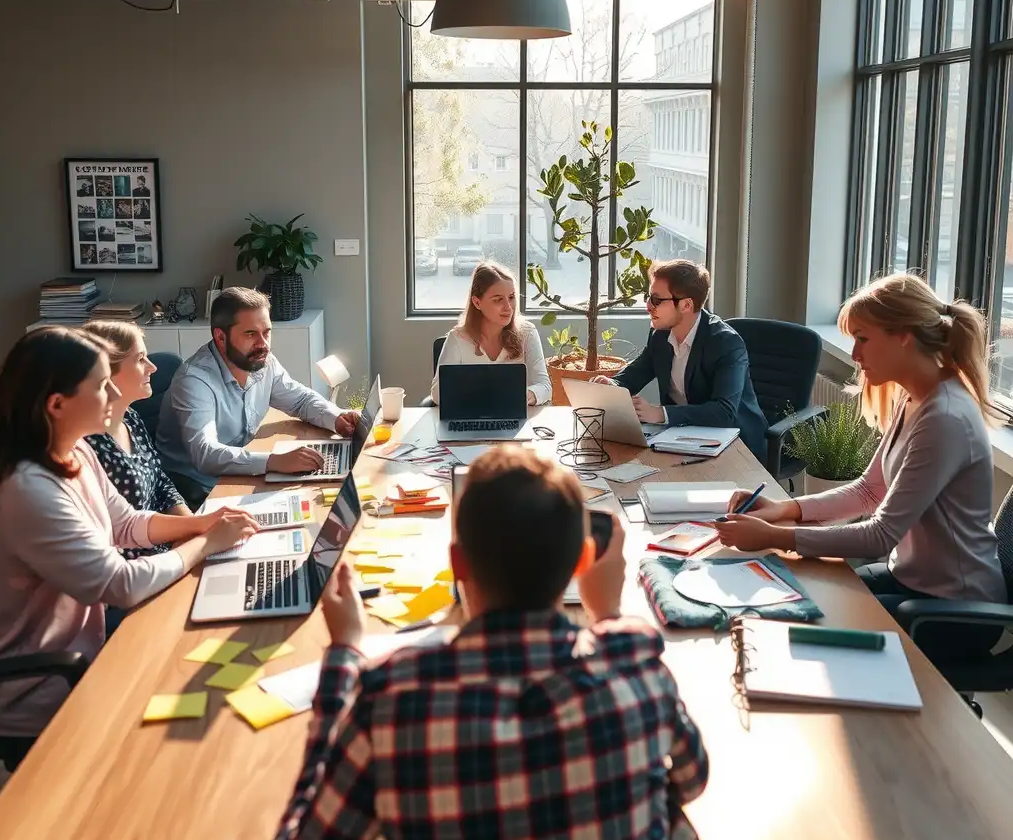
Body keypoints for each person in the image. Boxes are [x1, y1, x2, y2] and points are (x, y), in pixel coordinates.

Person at [265, 445, 708, 840]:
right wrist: (608, 614)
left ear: (457, 564)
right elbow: (692, 779)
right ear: (582, 561)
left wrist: (342, 659)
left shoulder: (392, 701)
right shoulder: (634, 664)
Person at [715, 273, 1007, 665]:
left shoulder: (945, 417)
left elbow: (881, 534)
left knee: (813, 631)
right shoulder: (915, 398)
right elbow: (868, 491)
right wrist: (785, 510)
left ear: (903, 334)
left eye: (863, 338)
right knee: (804, 592)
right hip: (914, 579)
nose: (854, 354)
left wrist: (776, 535)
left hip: (954, 608)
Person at [0, 328, 259, 741]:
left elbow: (126, 524)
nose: (115, 395)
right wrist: (207, 544)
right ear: (57, 404)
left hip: (85, 652)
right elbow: (119, 583)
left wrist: (202, 523)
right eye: (101, 386)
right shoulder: (28, 488)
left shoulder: (74, 451)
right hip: (45, 689)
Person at [156, 287, 361, 511]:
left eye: (267, 332)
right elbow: (205, 453)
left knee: (316, 499)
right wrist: (274, 461)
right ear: (220, 337)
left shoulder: (261, 361)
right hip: (196, 489)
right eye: (250, 334)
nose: (263, 343)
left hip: (240, 469)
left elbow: (300, 400)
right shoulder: (194, 381)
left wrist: (336, 417)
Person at [593, 259, 767, 461]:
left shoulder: (726, 343)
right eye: (648, 297)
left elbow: (724, 412)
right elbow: (637, 373)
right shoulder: (660, 335)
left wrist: (660, 414)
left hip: (736, 446)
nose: (648, 306)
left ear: (686, 305)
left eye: (657, 300)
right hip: (681, 439)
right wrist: (611, 386)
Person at [82, 320, 191, 560]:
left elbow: (161, 485)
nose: (152, 367)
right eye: (140, 359)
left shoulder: (130, 417)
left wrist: (194, 526)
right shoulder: (87, 445)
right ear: (106, 372)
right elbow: (119, 538)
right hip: (137, 567)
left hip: (166, 550)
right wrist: (193, 542)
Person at [430, 261, 551, 406]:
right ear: (477, 302)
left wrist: (528, 394)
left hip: (516, 419)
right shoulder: (457, 338)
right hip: (469, 418)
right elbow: (437, 394)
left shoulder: (527, 333)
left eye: (511, 297)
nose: (508, 307)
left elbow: (545, 386)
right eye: (498, 299)